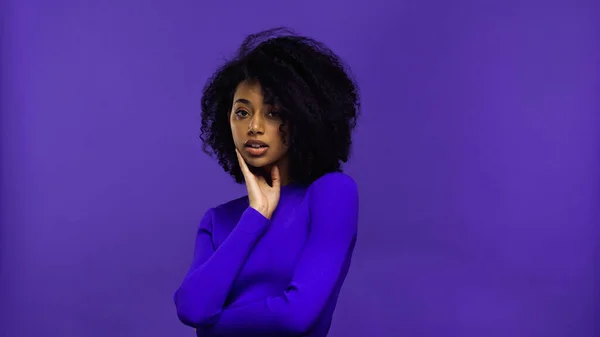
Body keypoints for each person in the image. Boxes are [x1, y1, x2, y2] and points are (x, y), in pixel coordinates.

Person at [174, 27, 361, 337]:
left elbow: (295, 317)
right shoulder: (218, 220)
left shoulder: (331, 194)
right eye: (242, 112)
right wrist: (256, 216)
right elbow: (191, 309)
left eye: (273, 113)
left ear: (304, 116)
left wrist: (212, 328)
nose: (255, 126)